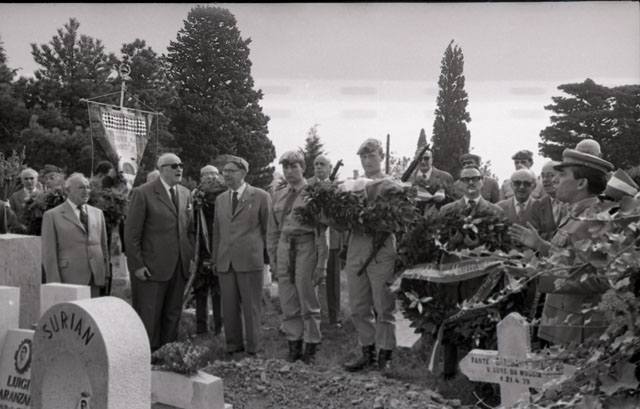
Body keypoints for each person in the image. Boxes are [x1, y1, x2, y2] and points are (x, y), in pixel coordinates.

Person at [509, 147, 614, 346]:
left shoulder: (595, 220)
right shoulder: (577, 214)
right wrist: (542, 246)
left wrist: (540, 274)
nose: (555, 180)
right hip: (563, 324)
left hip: (578, 331)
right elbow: (573, 258)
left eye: (563, 175)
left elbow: (600, 279)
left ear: (581, 183)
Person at [438, 165, 503, 379]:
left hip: (480, 278)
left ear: (483, 181)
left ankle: (479, 372)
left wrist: (481, 247)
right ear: (459, 184)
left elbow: (501, 247)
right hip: (453, 276)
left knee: (480, 322)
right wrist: (452, 242)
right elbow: (437, 242)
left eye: (475, 178)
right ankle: (449, 371)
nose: (471, 183)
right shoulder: (447, 211)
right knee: (450, 319)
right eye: (466, 180)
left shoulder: (495, 212)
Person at [124, 153, 195, 351]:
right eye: (174, 165)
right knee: (150, 314)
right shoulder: (143, 193)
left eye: (181, 165)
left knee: (173, 312)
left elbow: (190, 229)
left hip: (179, 266)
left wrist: (189, 256)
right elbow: (131, 234)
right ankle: (148, 354)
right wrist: (137, 265)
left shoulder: (186, 193)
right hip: (152, 267)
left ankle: (168, 353)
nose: (179, 169)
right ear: (162, 169)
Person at [343, 138, 398, 372]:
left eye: (372, 156)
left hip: (381, 248)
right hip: (357, 247)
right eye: (363, 157)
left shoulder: (392, 185)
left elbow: (398, 218)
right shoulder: (352, 186)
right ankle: (367, 352)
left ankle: (385, 355)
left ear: (381, 157)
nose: (367, 161)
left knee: (384, 305)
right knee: (358, 306)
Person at [268, 151, 329, 364]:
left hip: (306, 247)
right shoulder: (279, 195)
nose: (289, 171)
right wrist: (273, 259)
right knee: (288, 300)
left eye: (293, 166)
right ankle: (294, 345)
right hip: (284, 248)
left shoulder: (314, 194)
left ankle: (311, 346)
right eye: (285, 167)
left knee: (308, 299)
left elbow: (322, 233)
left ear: (303, 167)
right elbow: (273, 231)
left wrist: (321, 264)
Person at [211, 155, 271, 356]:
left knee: (251, 307)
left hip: (250, 260)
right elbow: (217, 231)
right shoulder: (220, 199)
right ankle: (233, 346)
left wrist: (268, 259)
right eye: (225, 171)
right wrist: (215, 258)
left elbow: (268, 230)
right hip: (225, 261)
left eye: (231, 171)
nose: (226, 174)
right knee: (228, 307)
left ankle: (254, 347)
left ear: (243, 173)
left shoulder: (261, 196)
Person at [41, 173, 109, 297]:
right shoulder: (52, 216)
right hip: (69, 278)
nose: (86, 191)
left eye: (88, 187)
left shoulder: (98, 213)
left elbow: (103, 245)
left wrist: (106, 274)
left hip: (95, 277)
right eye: (81, 187)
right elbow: (49, 253)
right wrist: (54, 284)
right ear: (68, 191)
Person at [307, 154, 343, 327]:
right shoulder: (307, 186)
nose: (319, 167)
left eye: (322, 164)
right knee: (311, 278)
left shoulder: (338, 187)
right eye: (316, 164)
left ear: (329, 168)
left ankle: (334, 317)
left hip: (333, 238)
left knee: (333, 280)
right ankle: (313, 314)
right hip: (312, 240)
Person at [193, 165, 226, 335]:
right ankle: (201, 329)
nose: (210, 177)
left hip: (219, 247)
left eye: (214, 174)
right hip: (200, 248)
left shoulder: (224, 196)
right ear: (201, 178)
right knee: (200, 289)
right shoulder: (195, 197)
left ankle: (220, 328)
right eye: (206, 174)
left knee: (218, 290)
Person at [408, 147, 454, 212]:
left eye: (426, 158)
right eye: (420, 159)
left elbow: (452, 202)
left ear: (432, 160)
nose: (423, 162)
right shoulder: (408, 178)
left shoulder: (445, 177)